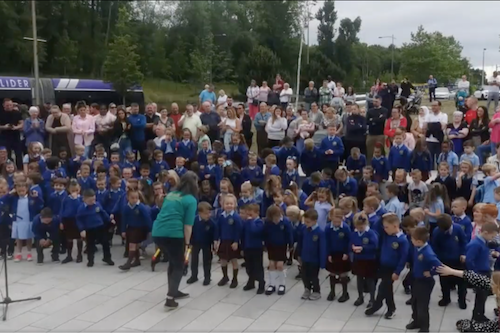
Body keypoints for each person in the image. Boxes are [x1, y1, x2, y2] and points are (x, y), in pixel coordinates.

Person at [152, 171, 198, 309]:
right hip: (174, 234)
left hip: (158, 231)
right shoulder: (191, 200)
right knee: (178, 264)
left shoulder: (171, 195)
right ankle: (170, 298)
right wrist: (188, 243)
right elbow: (188, 225)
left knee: (172, 262)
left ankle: (173, 290)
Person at [406, 227, 442, 333]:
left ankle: (425, 327)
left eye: (412, 239)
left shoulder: (428, 253)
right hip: (416, 279)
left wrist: (431, 273)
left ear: (419, 241)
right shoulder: (417, 248)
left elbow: (439, 266)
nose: (411, 241)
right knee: (414, 302)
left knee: (422, 306)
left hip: (425, 282)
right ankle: (416, 321)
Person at [431, 214, 467, 309]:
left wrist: (463, 253)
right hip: (444, 260)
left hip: (458, 260)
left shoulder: (458, 228)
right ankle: (446, 298)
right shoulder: (437, 232)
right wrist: (437, 260)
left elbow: (464, 241)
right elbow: (434, 247)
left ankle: (461, 300)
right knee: (444, 282)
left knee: (462, 283)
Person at [76, 189, 114, 268]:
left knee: (105, 243)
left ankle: (107, 258)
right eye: (90, 200)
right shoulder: (81, 208)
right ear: (84, 199)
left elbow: (103, 213)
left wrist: (109, 220)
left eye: (94, 199)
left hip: (100, 226)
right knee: (90, 245)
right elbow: (79, 219)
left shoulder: (97, 204)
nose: (92, 201)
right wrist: (81, 229)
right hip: (89, 229)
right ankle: (90, 260)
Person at [300, 208, 327, 301]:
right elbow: (301, 242)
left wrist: (323, 262)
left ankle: (316, 291)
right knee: (304, 275)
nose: (306, 223)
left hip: (314, 260)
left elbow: (323, 248)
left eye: (308, 222)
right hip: (305, 257)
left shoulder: (320, 232)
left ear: (315, 221)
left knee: (313, 276)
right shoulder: (304, 229)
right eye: (305, 221)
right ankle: (307, 288)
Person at [0, 98, 24, 168]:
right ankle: (7, 168)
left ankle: (19, 169)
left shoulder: (17, 113)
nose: (9, 106)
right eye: (7, 105)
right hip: (4, 136)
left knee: (19, 154)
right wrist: (4, 127)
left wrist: (16, 127)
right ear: (3, 105)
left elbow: (21, 123)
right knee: (7, 154)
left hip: (15, 136)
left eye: (10, 105)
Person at [366, 96, 387, 162]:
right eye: (374, 101)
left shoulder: (384, 110)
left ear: (380, 101)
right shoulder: (370, 111)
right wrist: (378, 118)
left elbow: (383, 120)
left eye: (376, 101)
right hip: (371, 134)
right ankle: (370, 164)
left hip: (380, 134)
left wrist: (373, 119)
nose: (375, 103)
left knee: (380, 150)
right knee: (369, 151)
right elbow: (367, 122)